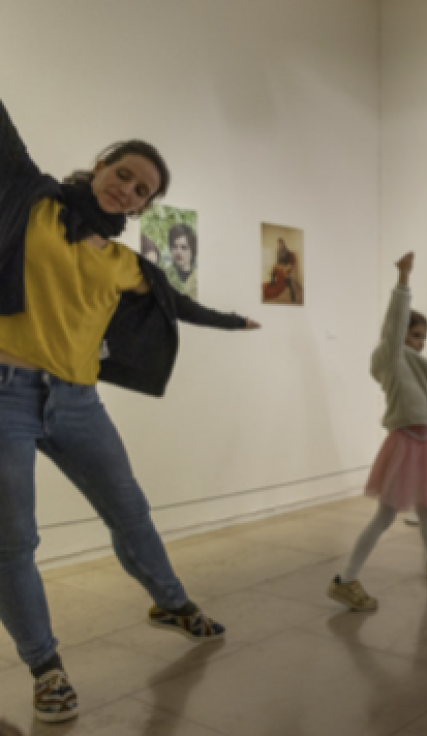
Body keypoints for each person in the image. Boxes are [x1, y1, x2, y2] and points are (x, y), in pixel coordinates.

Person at [0, 96, 260, 723]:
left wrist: (233, 322)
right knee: (12, 540)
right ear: (99, 167)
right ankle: (46, 666)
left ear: (145, 206)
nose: (128, 190)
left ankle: (170, 601)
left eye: (141, 190)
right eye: (123, 175)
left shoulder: (125, 262)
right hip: (5, 393)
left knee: (130, 510)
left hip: (78, 401)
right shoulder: (33, 199)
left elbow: (178, 305)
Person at [328, 252, 427, 612]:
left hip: (425, 442)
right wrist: (404, 279)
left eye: (423, 337)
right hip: (404, 443)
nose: (421, 342)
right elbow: (394, 325)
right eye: (415, 336)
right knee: (386, 516)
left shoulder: (418, 363)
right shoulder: (392, 357)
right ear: (400, 335)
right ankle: (347, 578)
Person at [165, 222, 198, 299]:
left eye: (184, 247)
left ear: (192, 250)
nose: (178, 252)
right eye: (174, 247)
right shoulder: (164, 275)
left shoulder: (198, 277)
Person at [262, 237, 300, 304]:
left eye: (281, 243)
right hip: (281, 265)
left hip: (286, 266)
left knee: (287, 278)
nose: (280, 245)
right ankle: (272, 281)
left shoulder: (287, 252)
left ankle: (292, 294)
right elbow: (278, 261)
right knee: (273, 268)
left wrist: (287, 266)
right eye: (279, 244)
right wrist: (278, 265)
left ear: (283, 244)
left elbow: (290, 262)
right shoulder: (278, 251)